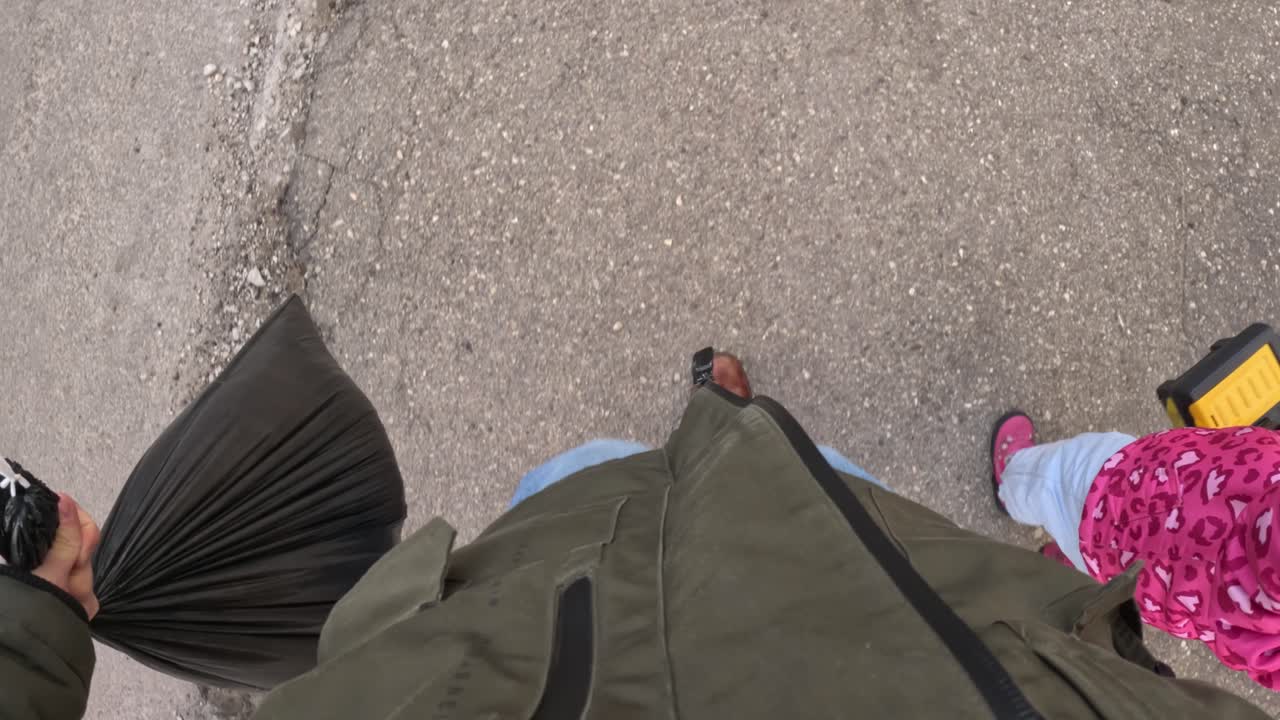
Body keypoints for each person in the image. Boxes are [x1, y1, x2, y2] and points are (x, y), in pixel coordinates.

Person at [1, 374, 1271, 719]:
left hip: (593, 620)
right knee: (631, 477)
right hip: (948, 639)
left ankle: (723, 423)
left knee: (599, 478)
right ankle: (723, 424)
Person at [992, 411, 1280, 689]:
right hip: (1160, 583)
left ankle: (1012, 478)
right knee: (1099, 566)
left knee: (1052, 482)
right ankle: (1070, 567)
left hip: (1127, 500)